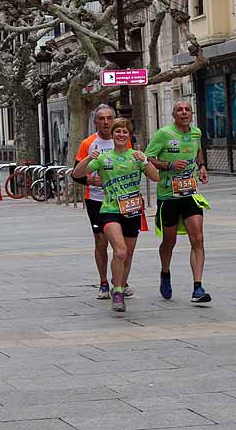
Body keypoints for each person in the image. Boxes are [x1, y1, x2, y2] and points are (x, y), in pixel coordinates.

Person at [72, 117, 158, 313]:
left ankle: (119, 281)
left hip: (132, 211)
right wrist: (88, 158)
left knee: (127, 256)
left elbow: (155, 177)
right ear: (112, 135)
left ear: (129, 136)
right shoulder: (104, 157)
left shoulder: (136, 156)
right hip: (110, 210)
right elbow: (77, 174)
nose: (121, 135)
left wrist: (145, 160)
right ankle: (117, 292)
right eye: (117, 132)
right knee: (119, 251)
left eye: (124, 132)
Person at [146, 100, 212, 304]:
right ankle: (165, 273)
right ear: (173, 114)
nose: (184, 113)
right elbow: (148, 158)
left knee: (198, 238)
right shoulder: (163, 134)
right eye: (179, 110)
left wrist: (201, 166)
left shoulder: (196, 133)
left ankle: (198, 287)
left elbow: (198, 150)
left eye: (187, 110)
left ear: (192, 113)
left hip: (190, 194)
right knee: (169, 241)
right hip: (168, 196)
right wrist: (169, 164)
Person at [73, 104, 129, 300]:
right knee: (101, 242)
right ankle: (104, 282)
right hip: (96, 199)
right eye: (101, 118)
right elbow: (76, 174)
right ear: (95, 122)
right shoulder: (88, 143)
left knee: (121, 244)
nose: (106, 122)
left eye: (109, 118)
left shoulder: (123, 141)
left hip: (122, 200)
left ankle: (120, 280)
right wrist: (91, 180)